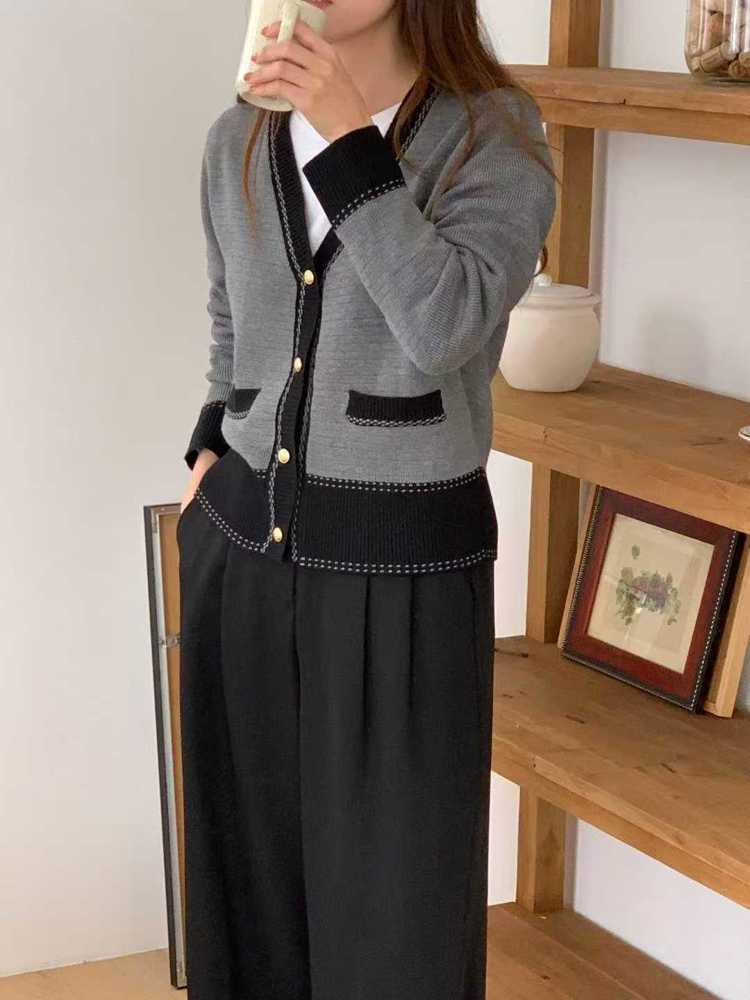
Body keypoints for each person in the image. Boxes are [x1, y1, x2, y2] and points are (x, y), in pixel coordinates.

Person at [176, 2, 556, 997]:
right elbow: (233, 329)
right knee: (250, 911)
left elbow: (447, 325)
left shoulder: (493, 134)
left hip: (405, 581)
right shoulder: (237, 137)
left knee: (398, 935)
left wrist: (350, 140)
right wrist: (210, 449)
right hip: (240, 562)